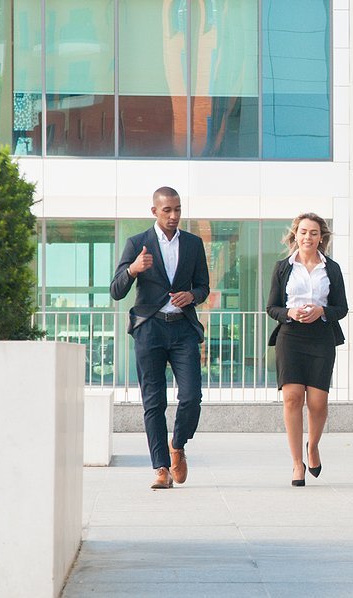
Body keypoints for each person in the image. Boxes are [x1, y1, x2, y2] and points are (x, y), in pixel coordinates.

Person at [110, 187, 210, 489]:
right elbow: (116, 290)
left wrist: (191, 295)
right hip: (149, 329)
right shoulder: (137, 243)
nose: (173, 216)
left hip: (182, 329)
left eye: (177, 209)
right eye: (167, 210)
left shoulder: (193, 244)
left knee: (192, 396)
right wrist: (133, 269)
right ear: (154, 211)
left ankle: (177, 446)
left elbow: (203, 287)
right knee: (153, 402)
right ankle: (161, 468)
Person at [266, 213, 348, 486]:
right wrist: (290, 312)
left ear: (321, 237)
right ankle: (296, 463)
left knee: (317, 402)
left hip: (321, 337)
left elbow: (342, 308)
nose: (308, 237)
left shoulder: (331, 269)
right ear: (295, 235)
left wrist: (321, 311)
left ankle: (312, 447)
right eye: (303, 232)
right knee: (292, 398)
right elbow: (272, 307)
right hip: (290, 337)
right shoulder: (283, 267)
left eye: (313, 233)